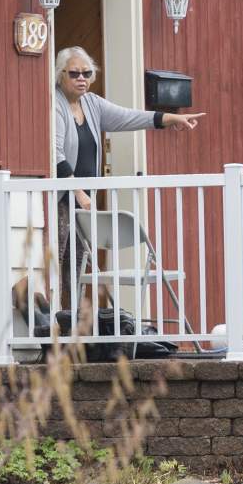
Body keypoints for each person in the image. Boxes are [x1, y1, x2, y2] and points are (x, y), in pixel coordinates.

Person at [53, 46, 204, 306]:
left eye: (87, 73)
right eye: (75, 73)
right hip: (60, 201)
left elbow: (129, 117)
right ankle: (53, 327)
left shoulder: (92, 103)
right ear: (60, 75)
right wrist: (78, 194)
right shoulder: (54, 104)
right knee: (56, 260)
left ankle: (71, 325)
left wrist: (172, 119)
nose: (82, 79)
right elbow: (55, 154)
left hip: (83, 202)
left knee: (76, 265)